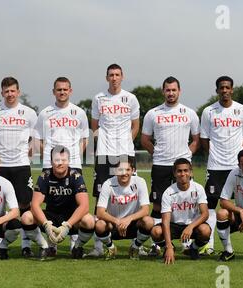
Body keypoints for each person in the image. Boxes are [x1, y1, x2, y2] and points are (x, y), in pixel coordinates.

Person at [141, 76, 200, 256]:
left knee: (185, 204)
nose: (171, 93)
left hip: (182, 167)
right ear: (163, 91)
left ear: (179, 91)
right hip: (161, 166)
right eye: (168, 90)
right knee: (159, 206)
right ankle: (157, 244)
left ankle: (185, 243)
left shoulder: (189, 113)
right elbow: (144, 139)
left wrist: (186, 156)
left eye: (174, 90)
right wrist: (158, 153)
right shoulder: (153, 113)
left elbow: (196, 139)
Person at [200, 76, 243, 255]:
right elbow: (204, 139)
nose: (224, 90)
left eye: (227, 87)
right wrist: (215, 155)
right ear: (217, 90)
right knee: (211, 205)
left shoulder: (242, 110)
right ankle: (209, 243)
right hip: (215, 167)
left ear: (232, 90)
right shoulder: (208, 111)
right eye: (221, 88)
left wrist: (238, 156)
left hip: (236, 167)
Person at [0, 77, 38, 257]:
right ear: (2, 93)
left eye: (13, 90)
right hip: (1, 167)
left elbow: (35, 141)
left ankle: (25, 243)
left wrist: (25, 155)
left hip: (21, 165)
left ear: (18, 92)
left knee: (25, 204)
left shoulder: (29, 113)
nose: (10, 94)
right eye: (6, 91)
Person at [33, 77, 89, 252]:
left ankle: (73, 241)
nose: (62, 92)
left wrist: (74, 157)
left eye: (65, 89)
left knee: (74, 204)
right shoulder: (45, 113)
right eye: (59, 89)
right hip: (51, 165)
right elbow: (38, 140)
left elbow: (85, 138)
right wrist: (51, 157)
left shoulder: (79, 112)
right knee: (52, 203)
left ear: (70, 91)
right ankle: (52, 241)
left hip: (73, 164)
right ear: (54, 92)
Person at [90, 63, 140, 257]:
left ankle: (137, 241)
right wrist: (103, 143)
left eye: (117, 75)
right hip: (104, 154)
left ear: (122, 77)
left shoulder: (131, 98)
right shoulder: (98, 98)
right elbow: (95, 126)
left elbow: (135, 125)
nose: (114, 78)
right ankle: (98, 245)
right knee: (100, 196)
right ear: (106, 77)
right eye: (111, 75)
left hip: (125, 154)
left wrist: (126, 142)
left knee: (132, 194)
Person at [21, 146, 95, 259]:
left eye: (64, 160)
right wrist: (46, 224)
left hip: (71, 218)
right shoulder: (44, 176)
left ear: (69, 161)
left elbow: (84, 206)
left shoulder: (76, 176)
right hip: (51, 216)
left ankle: (77, 246)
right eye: (56, 160)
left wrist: (67, 226)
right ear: (51, 162)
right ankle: (45, 247)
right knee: (26, 217)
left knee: (89, 220)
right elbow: (35, 205)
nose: (60, 163)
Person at [151, 158, 211, 264]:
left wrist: (190, 227)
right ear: (174, 173)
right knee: (156, 232)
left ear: (191, 172)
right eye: (179, 171)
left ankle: (193, 248)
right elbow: (165, 221)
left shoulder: (198, 188)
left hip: (193, 225)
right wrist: (168, 246)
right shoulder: (168, 192)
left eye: (186, 170)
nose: (183, 174)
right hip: (174, 225)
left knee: (205, 231)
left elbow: (205, 213)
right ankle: (170, 248)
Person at [94, 156, 153, 260]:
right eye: (120, 169)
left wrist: (129, 219)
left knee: (149, 221)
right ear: (115, 171)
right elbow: (100, 212)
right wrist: (117, 221)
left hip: (133, 224)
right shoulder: (108, 184)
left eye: (128, 169)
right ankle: (111, 248)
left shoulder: (140, 182)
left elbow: (145, 210)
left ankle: (135, 247)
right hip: (114, 224)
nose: (124, 173)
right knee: (99, 225)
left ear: (133, 171)